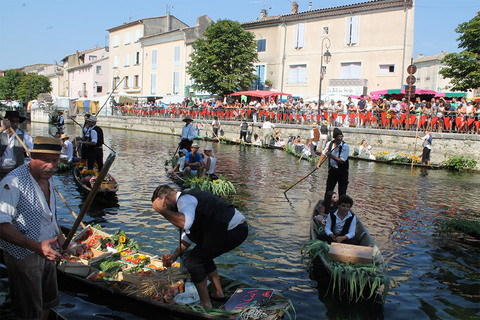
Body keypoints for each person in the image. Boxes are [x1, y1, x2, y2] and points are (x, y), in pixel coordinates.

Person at [151, 185, 248, 308]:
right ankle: (219, 293)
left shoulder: (184, 200)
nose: (167, 214)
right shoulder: (187, 199)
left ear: (166, 198)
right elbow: (189, 236)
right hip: (232, 228)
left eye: (163, 206)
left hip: (233, 229)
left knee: (193, 261)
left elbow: (185, 223)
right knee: (201, 255)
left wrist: (162, 211)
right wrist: (174, 256)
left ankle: (206, 304)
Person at [0, 136, 65, 320]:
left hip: (48, 250)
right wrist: (36, 246)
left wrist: (59, 234)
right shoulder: (12, 182)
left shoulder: (48, 178)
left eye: (55, 160)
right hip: (24, 255)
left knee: (48, 301)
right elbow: (1, 225)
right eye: (46, 160)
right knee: (29, 309)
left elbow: (50, 212)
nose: (51, 165)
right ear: (33, 157)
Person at [316, 127, 349, 196]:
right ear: (335, 137)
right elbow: (323, 153)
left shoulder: (345, 146)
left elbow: (342, 161)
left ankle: (340, 205)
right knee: (328, 191)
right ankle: (327, 205)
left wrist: (331, 156)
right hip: (332, 171)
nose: (340, 138)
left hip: (342, 172)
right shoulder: (329, 144)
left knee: (342, 192)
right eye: (338, 137)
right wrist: (319, 163)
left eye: (341, 136)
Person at [0, 111, 34, 179]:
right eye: (12, 121)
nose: (15, 124)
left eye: (17, 121)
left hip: (16, 172)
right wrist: (3, 128)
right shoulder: (1, 132)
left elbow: (31, 149)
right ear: (6, 122)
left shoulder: (23, 134)